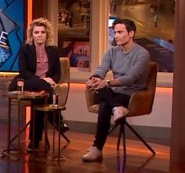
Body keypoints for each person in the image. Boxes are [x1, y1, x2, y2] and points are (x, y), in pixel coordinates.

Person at [82, 18, 150, 162]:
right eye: (115, 32)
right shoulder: (111, 52)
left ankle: (97, 148)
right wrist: (94, 79)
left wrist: (106, 83)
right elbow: (101, 69)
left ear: (131, 33)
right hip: (115, 92)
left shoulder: (142, 54)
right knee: (98, 88)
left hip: (132, 94)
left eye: (120, 32)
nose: (116, 36)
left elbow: (131, 78)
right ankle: (117, 108)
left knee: (104, 105)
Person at [8, 18, 68, 148]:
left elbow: (57, 73)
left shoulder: (53, 50)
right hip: (26, 83)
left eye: (42, 32)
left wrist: (53, 81)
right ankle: (57, 120)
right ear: (32, 34)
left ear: (47, 34)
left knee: (40, 100)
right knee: (43, 88)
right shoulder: (25, 49)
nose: (39, 35)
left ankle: (34, 141)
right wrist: (43, 80)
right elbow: (24, 71)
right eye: (36, 32)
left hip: (43, 88)